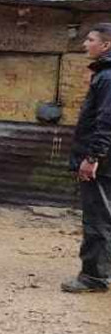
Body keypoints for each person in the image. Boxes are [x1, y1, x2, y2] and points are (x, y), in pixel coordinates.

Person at [63, 23, 111, 293]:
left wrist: (93, 156)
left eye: (90, 39)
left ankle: (93, 278)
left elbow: (106, 121)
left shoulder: (107, 78)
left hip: (102, 162)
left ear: (105, 46)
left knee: (98, 218)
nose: (85, 44)